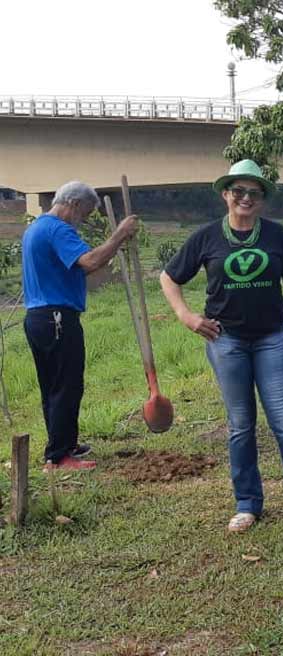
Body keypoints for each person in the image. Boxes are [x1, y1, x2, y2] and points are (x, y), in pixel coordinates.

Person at [160, 159, 283, 533]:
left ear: (262, 201)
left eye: (253, 193)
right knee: (241, 425)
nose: (245, 198)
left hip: (271, 339)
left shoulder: (278, 237)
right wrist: (187, 317)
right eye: (238, 191)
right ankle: (247, 504)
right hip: (227, 341)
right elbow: (168, 277)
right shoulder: (207, 237)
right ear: (225, 195)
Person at [22, 181, 138, 471]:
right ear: (73, 204)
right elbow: (89, 261)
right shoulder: (58, 229)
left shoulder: (35, 228)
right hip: (57, 317)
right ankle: (60, 456)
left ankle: (61, 446)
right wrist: (119, 235)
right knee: (66, 385)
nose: (82, 221)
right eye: (84, 213)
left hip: (38, 317)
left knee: (52, 385)